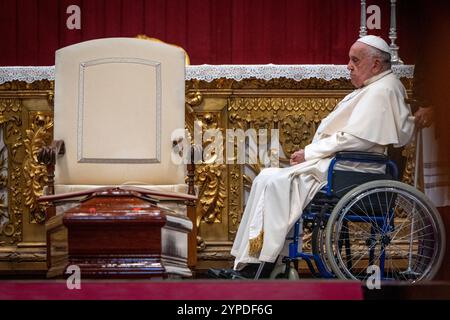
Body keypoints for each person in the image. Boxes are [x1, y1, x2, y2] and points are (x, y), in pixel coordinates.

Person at [209, 35, 415, 279]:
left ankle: (263, 265)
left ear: (376, 64)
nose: (349, 66)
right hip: (345, 166)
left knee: (275, 183)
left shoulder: (383, 90)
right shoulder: (375, 86)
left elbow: (359, 139)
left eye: (355, 60)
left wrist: (310, 152)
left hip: (352, 171)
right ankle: (248, 262)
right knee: (264, 177)